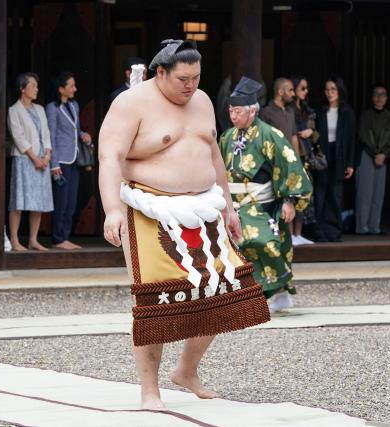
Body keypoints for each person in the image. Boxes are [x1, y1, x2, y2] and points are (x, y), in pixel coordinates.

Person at [99, 39, 270, 410]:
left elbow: (214, 153)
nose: (190, 85)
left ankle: (186, 370)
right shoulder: (130, 104)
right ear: (160, 72)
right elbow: (109, 156)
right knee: (153, 300)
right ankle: (149, 390)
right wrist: (112, 209)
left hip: (205, 205)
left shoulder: (204, 101)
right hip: (147, 207)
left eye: (196, 77)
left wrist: (229, 207)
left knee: (222, 290)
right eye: (182, 78)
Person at [218, 76, 313, 313]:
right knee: (232, 249)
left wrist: (289, 200)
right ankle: (251, 295)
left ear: (252, 112)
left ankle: (273, 291)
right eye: (230, 111)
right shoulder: (227, 137)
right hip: (234, 205)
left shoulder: (271, 135)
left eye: (237, 111)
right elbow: (217, 169)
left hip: (262, 205)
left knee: (262, 242)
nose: (233, 116)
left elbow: (290, 165)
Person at [45, 72, 93, 250]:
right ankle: (58, 238)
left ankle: (65, 236)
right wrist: (54, 163)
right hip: (61, 160)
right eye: (71, 85)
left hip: (74, 159)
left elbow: (76, 130)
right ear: (61, 89)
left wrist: (83, 135)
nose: (75, 89)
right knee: (61, 201)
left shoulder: (74, 105)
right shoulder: (52, 108)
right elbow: (51, 136)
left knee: (71, 202)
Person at [7, 72, 53, 251]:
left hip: (42, 159)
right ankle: (15, 240)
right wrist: (35, 158)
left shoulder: (40, 109)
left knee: (38, 201)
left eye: (36, 85)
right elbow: (18, 136)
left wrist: (47, 155)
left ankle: (33, 239)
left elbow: (46, 134)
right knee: (19, 200)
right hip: (25, 158)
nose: (36, 89)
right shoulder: (14, 110)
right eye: (32, 85)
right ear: (22, 88)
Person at [313, 75, 356, 242]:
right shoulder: (320, 111)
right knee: (320, 194)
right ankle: (320, 231)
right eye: (327, 90)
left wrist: (350, 163)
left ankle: (335, 231)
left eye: (333, 89)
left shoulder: (347, 112)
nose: (329, 93)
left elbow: (352, 139)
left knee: (335, 195)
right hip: (322, 155)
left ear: (339, 91)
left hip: (339, 155)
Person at [355, 84, 390, 235]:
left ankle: (374, 226)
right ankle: (362, 227)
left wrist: (383, 153)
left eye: (382, 94)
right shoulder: (366, 115)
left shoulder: (389, 116)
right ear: (372, 97)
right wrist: (375, 152)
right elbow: (364, 135)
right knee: (365, 192)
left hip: (382, 157)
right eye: (376, 94)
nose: (379, 98)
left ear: (386, 98)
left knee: (378, 193)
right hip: (367, 153)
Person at [289, 76, 320, 246]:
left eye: (306, 88)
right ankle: (291, 234)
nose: (305, 91)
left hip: (306, 155)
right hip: (294, 155)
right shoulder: (289, 109)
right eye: (302, 88)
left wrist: (311, 132)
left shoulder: (307, 109)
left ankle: (299, 233)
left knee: (304, 195)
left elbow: (316, 132)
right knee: (292, 195)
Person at [259, 77, 300, 155]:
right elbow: (261, 140)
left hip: (290, 161)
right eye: (290, 90)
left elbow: (294, 136)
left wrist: (297, 162)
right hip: (273, 162)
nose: (293, 94)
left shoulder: (290, 111)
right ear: (280, 92)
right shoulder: (266, 112)